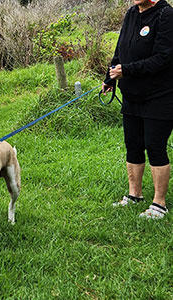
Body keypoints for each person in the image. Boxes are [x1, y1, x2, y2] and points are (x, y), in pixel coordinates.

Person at [102, 0, 173, 219]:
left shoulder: (166, 15)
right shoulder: (132, 13)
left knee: (155, 146)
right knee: (133, 144)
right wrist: (110, 77)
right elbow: (120, 48)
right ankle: (135, 195)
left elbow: (164, 57)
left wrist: (128, 70)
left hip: (160, 95)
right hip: (132, 94)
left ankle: (159, 204)